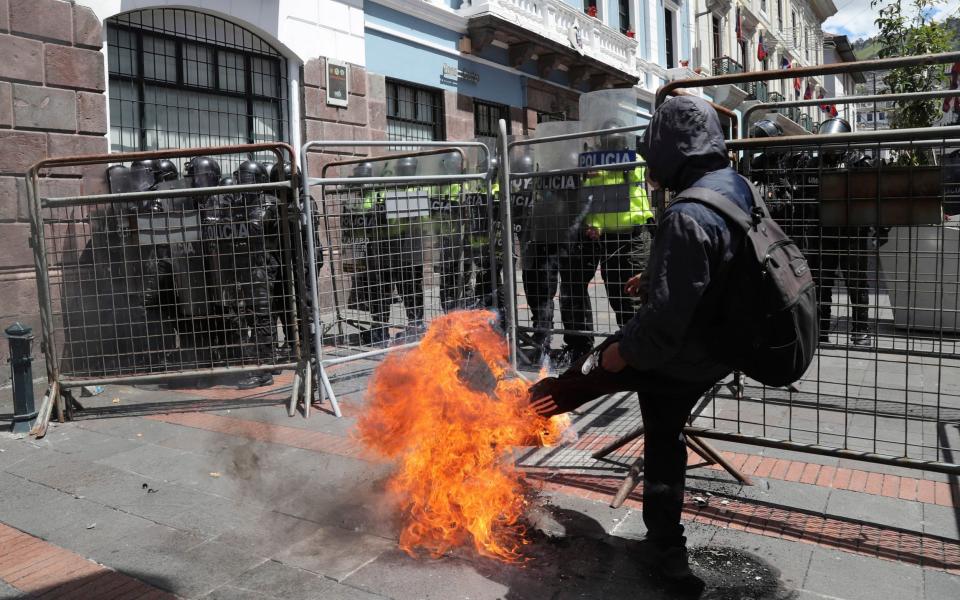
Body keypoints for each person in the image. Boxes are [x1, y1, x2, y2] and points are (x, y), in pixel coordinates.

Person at [528, 96, 753, 595]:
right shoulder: (734, 186)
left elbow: (657, 334)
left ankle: (510, 420)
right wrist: (655, 275)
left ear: (674, 151)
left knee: (581, 378)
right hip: (719, 346)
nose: (650, 167)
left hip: (685, 349)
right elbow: (715, 263)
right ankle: (666, 546)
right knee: (664, 430)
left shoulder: (687, 212)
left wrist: (618, 356)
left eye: (655, 154)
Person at [562, 119, 654, 358]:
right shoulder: (595, 167)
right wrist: (594, 224)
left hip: (631, 239)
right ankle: (623, 351)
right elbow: (595, 201)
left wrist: (594, 167)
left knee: (632, 299)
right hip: (605, 240)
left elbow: (631, 171)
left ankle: (639, 354)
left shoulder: (634, 160)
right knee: (616, 295)